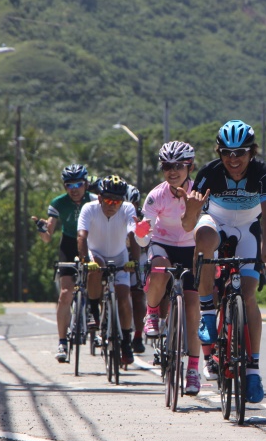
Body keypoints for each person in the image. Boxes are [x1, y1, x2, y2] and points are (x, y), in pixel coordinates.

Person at [182, 120, 266, 404]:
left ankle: (253, 371)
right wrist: (191, 210)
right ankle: (208, 313)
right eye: (227, 152)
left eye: (241, 152)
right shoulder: (209, 173)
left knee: (248, 296)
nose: (233, 159)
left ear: (252, 152)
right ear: (219, 152)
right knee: (204, 236)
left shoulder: (263, 173)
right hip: (217, 222)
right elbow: (189, 224)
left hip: (249, 228)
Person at [134, 141, 209, 395]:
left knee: (192, 308)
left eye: (178, 166)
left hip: (191, 248)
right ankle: (152, 312)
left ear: (190, 167)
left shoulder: (200, 194)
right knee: (158, 269)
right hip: (164, 244)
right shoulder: (156, 195)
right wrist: (141, 234)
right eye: (167, 166)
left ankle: (192, 370)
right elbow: (144, 237)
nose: (172, 171)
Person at [31, 164, 97, 362]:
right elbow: (48, 236)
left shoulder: (94, 200)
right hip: (68, 245)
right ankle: (62, 341)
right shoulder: (58, 203)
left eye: (78, 183)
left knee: (100, 282)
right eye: (69, 185)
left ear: (86, 184)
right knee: (65, 293)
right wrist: (43, 229)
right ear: (64, 186)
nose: (74, 189)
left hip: (91, 243)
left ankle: (100, 318)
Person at [77, 175, 140, 366]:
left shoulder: (128, 209)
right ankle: (93, 309)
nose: (113, 204)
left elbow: (133, 233)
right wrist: (84, 261)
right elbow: (82, 236)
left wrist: (135, 262)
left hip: (119, 256)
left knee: (124, 297)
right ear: (100, 198)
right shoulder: (89, 208)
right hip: (96, 253)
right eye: (109, 200)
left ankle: (127, 341)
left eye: (117, 201)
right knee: (95, 269)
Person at [125, 185, 147, 354]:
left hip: (140, 255)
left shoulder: (144, 214)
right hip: (119, 253)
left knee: (138, 295)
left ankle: (138, 335)